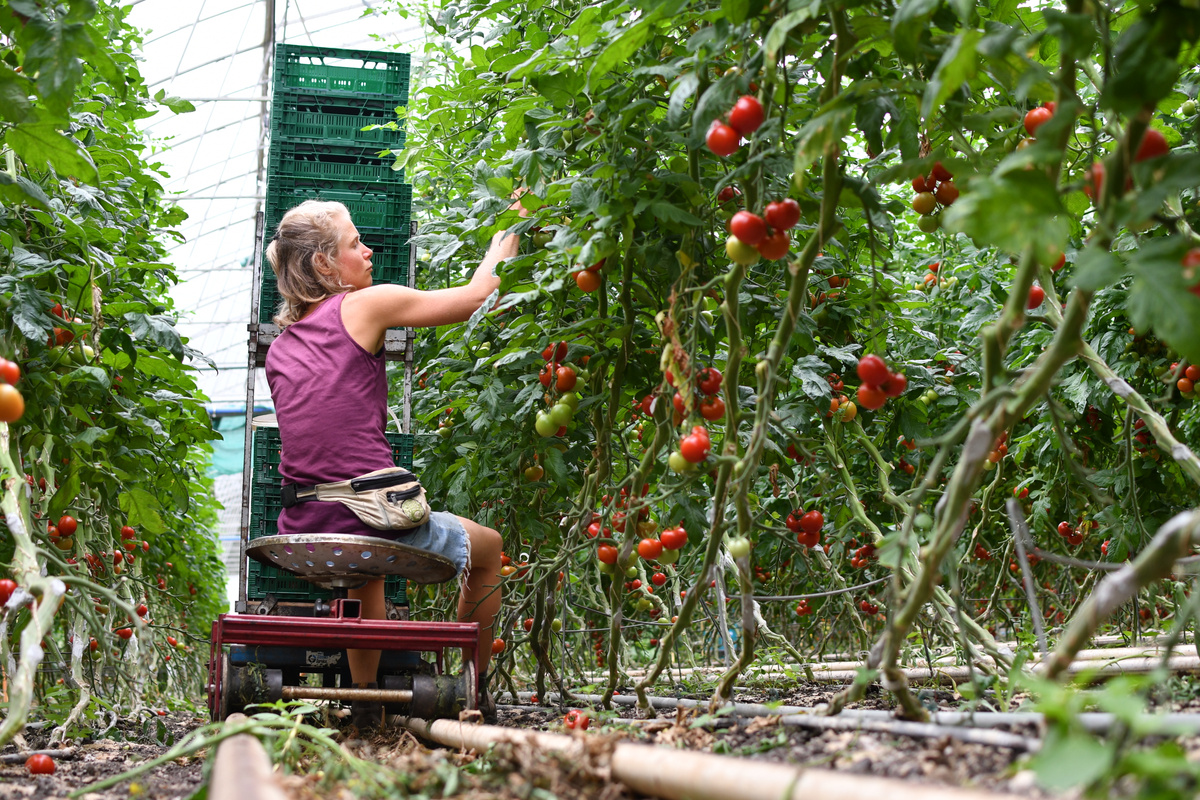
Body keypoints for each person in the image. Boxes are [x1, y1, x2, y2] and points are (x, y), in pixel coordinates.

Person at [263, 198, 518, 725]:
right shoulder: (365, 305)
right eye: (355, 243)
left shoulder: (281, 346)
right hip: (363, 514)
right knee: (489, 549)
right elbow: (477, 297)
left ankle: (365, 703)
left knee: (365, 568)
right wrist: (512, 228)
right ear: (324, 265)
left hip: (307, 521)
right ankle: (475, 684)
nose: (368, 249)